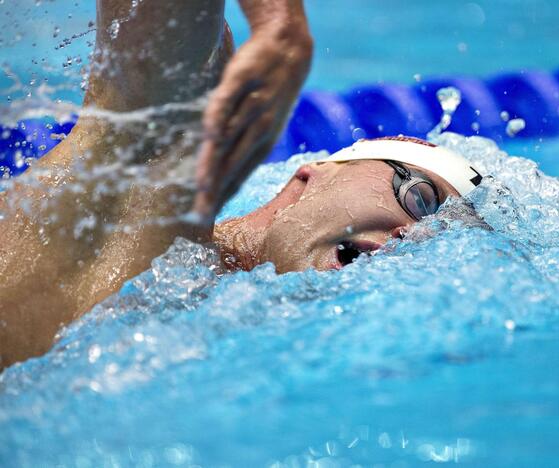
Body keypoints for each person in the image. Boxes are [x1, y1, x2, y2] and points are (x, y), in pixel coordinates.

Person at [0, 0, 484, 369]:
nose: (415, 237)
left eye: (438, 244)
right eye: (421, 200)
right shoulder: (152, 182)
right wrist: (282, 25)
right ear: (310, 176)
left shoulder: (244, 347)